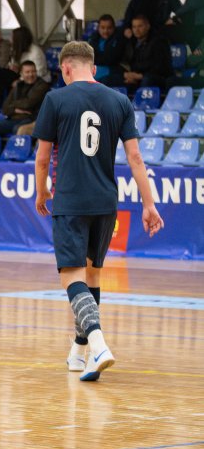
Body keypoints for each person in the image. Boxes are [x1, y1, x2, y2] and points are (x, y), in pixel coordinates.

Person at [33, 41, 164, 382]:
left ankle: (99, 344)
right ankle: (79, 353)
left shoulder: (55, 99)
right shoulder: (119, 101)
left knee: (72, 277)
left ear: (65, 68)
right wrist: (149, 204)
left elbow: (43, 158)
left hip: (71, 200)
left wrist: (42, 191)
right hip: (106, 202)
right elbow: (135, 157)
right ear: (93, 68)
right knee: (92, 276)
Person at [0, 61, 49, 135]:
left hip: (30, 119)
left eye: (33, 71)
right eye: (27, 72)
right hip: (13, 119)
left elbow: (28, 104)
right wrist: (14, 109)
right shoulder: (18, 85)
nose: (31, 74)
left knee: (17, 129)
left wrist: (12, 105)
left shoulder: (42, 85)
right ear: (21, 74)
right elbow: (4, 108)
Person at [107, 14, 173, 90]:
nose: (136, 30)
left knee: (147, 80)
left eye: (140, 26)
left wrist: (140, 76)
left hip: (156, 77)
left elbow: (160, 67)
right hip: (136, 76)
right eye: (134, 27)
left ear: (148, 26)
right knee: (108, 80)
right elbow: (124, 62)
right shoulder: (132, 42)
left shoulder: (159, 42)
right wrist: (127, 75)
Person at [88, 14, 127, 83]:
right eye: (102, 28)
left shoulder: (119, 39)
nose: (105, 31)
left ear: (114, 28)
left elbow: (111, 59)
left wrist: (98, 58)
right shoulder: (93, 38)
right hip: (95, 69)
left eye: (109, 28)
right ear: (98, 28)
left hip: (113, 70)